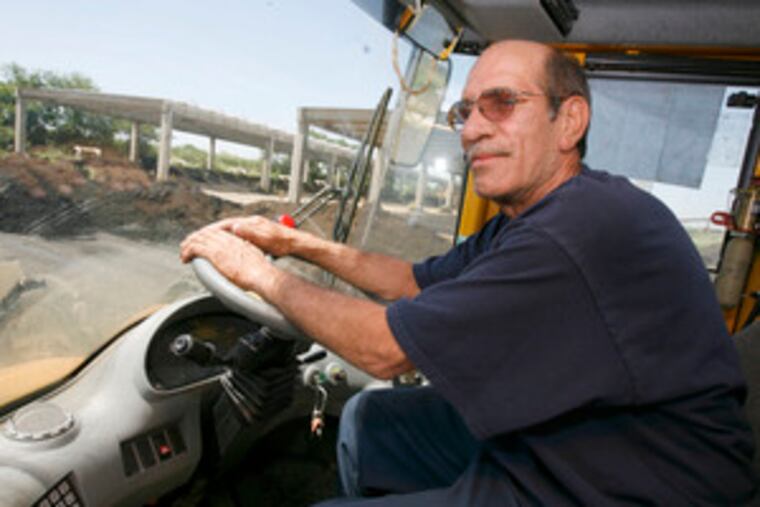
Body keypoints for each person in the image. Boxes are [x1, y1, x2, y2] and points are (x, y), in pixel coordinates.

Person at [180, 40, 756, 505]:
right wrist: (293, 243)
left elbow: (385, 350)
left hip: (629, 483)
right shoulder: (531, 216)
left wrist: (258, 272)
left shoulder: (580, 228)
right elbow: (411, 282)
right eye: (466, 110)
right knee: (370, 417)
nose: (472, 129)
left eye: (501, 103)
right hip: (573, 441)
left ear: (569, 121)